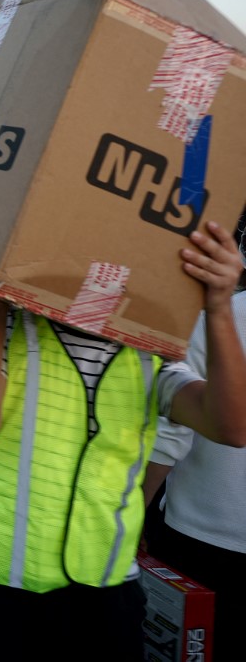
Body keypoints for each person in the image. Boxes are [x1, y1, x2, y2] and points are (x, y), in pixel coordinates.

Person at [0, 221, 246, 660]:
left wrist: (218, 308)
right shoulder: (5, 329)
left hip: (103, 588)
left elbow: (231, 427)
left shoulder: (146, 352)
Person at [142, 270, 246, 661]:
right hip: (208, 530)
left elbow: (172, 433)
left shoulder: (228, 317)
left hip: (202, 531)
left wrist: (138, 507)